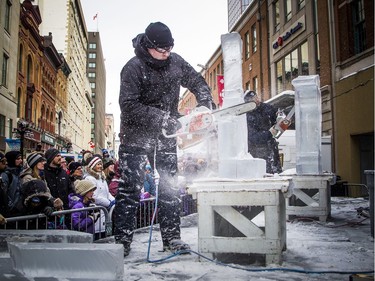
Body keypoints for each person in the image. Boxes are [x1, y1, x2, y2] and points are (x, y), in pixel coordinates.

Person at [113, 21, 215, 256]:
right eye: (161, 50)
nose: (166, 54)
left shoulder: (176, 62)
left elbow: (197, 81)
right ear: (148, 45)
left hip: (166, 137)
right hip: (135, 136)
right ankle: (122, 241)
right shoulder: (133, 68)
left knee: (169, 187)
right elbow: (128, 106)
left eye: (169, 49)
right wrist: (161, 118)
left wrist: (203, 104)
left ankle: (171, 238)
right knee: (130, 188)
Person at [244, 90, 282, 174]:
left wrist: (280, 117)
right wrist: (269, 133)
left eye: (256, 97)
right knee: (265, 175)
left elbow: (275, 115)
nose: (257, 100)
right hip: (259, 152)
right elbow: (253, 137)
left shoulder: (266, 107)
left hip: (272, 148)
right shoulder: (247, 116)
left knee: (277, 173)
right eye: (253, 99)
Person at [84, 155, 115, 239]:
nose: (100, 166)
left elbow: (107, 192)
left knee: (106, 234)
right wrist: (108, 203)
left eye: (101, 164)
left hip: (105, 212)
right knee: (98, 236)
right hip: (97, 211)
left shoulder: (102, 178)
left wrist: (114, 200)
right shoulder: (90, 178)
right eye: (98, 164)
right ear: (92, 165)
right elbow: (94, 196)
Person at [43, 148, 74, 212]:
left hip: (65, 211)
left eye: (60, 155)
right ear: (50, 158)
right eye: (57, 156)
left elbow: (70, 190)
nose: (60, 157)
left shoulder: (63, 173)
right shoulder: (44, 173)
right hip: (51, 212)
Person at [2, 151, 23, 217]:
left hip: (20, 210)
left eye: (21, 158)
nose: (21, 160)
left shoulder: (19, 172)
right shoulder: (6, 175)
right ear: (11, 160)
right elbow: (3, 194)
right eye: (18, 159)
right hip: (11, 211)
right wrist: (12, 207)